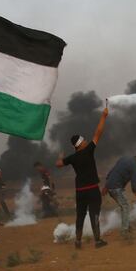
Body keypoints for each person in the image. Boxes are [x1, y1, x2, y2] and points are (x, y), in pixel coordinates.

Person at [56, 105, 109, 249]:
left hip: (80, 191)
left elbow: (59, 164)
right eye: (84, 140)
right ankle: (97, 241)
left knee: (80, 216)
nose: (86, 141)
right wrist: (103, 116)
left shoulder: (72, 158)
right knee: (94, 215)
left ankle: (78, 242)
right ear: (81, 143)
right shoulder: (89, 150)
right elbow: (98, 133)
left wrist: (61, 155)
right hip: (92, 189)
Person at [104, 149, 136, 238]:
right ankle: (124, 232)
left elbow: (112, 171)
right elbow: (134, 188)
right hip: (116, 188)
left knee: (125, 205)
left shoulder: (124, 158)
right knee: (126, 207)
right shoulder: (135, 167)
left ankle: (127, 226)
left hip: (111, 187)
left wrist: (106, 186)